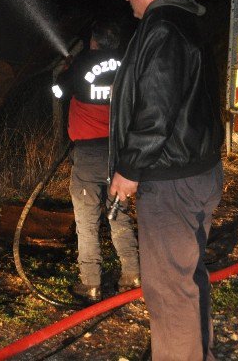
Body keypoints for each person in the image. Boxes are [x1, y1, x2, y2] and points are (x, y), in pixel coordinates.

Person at [108, 0, 223, 361]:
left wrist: (129, 167)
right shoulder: (184, 22)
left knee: (168, 288)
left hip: (170, 178)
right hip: (195, 172)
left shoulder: (163, 28)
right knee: (187, 276)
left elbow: (156, 108)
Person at [53, 20, 139, 303]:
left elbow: (58, 91)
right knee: (119, 215)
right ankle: (132, 275)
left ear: (94, 42)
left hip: (89, 155)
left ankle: (91, 283)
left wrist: (65, 72)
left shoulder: (82, 62)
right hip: (120, 155)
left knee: (87, 221)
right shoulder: (128, 63)